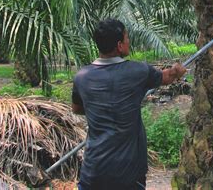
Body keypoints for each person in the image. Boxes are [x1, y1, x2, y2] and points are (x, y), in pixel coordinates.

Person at [72, 18, 187, 190]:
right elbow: (167, 77)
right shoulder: (137, 71)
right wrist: (177, 71)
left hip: (93, 173)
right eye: (127, 38)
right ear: (119, 45)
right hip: (128, 175)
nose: (129, 42)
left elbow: (78, 109)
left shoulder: (82, 76)